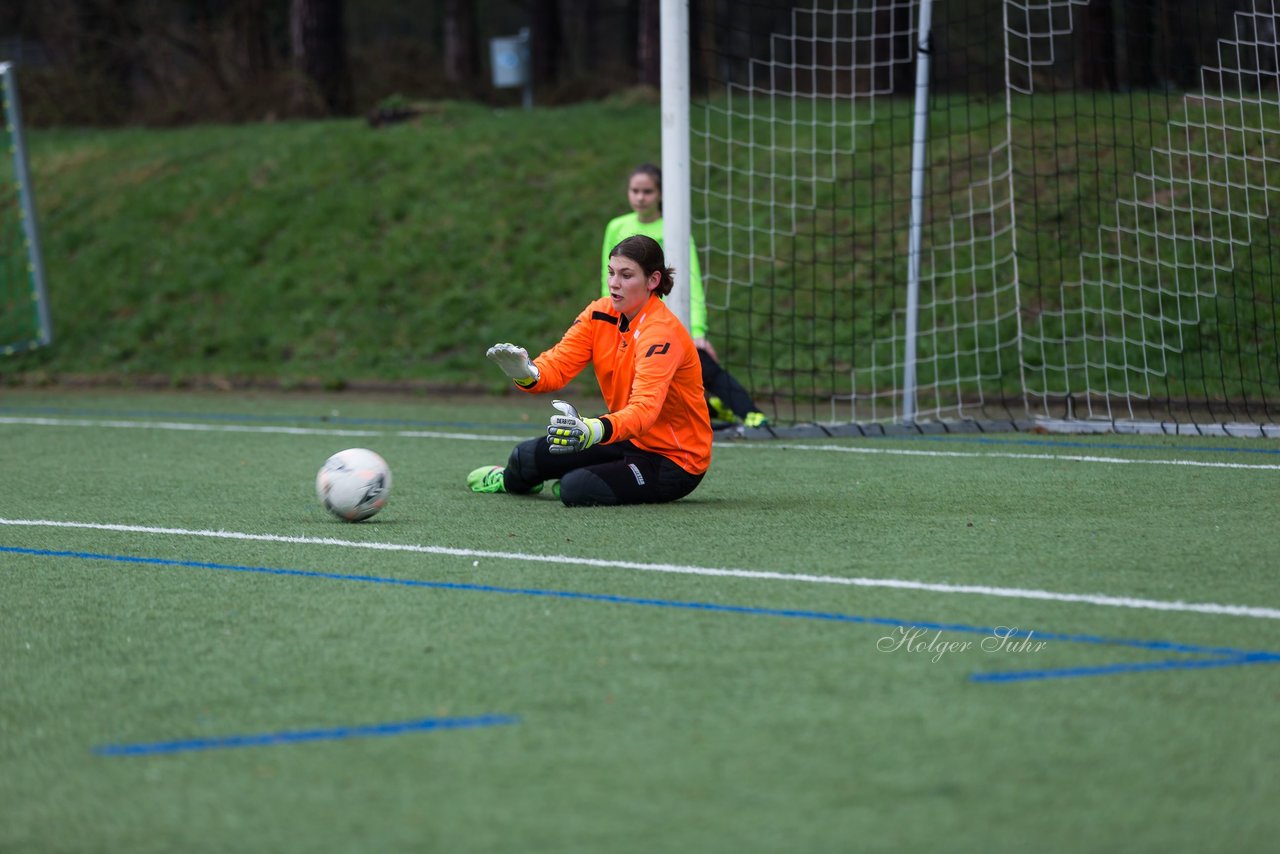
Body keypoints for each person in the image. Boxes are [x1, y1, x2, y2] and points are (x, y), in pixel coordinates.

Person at [467, 235, 712, 507]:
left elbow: (644, 411)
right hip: (624, 435)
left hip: (674, 460)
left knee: (576, 488)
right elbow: (559, 364)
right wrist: (527, 372)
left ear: (653, 280)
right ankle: (510, 480)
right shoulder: (599, 313)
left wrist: (595, 429)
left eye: (626, 275)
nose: (614, 283)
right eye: (611, 273)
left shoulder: (662, 334)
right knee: (524, 458)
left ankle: (583, 478)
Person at [600, 163, 768, 429]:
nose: (641, 197)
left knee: (702, 364)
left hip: (668, 319)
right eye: (635, 190)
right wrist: (610, 321)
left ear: (661, 194)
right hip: (630, 320)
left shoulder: (674, 229)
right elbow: (606, 277)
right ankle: (710, 408)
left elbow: (691, 281)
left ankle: (749, 412)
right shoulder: (616, 227)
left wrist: (696, 329)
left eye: (647, 191)